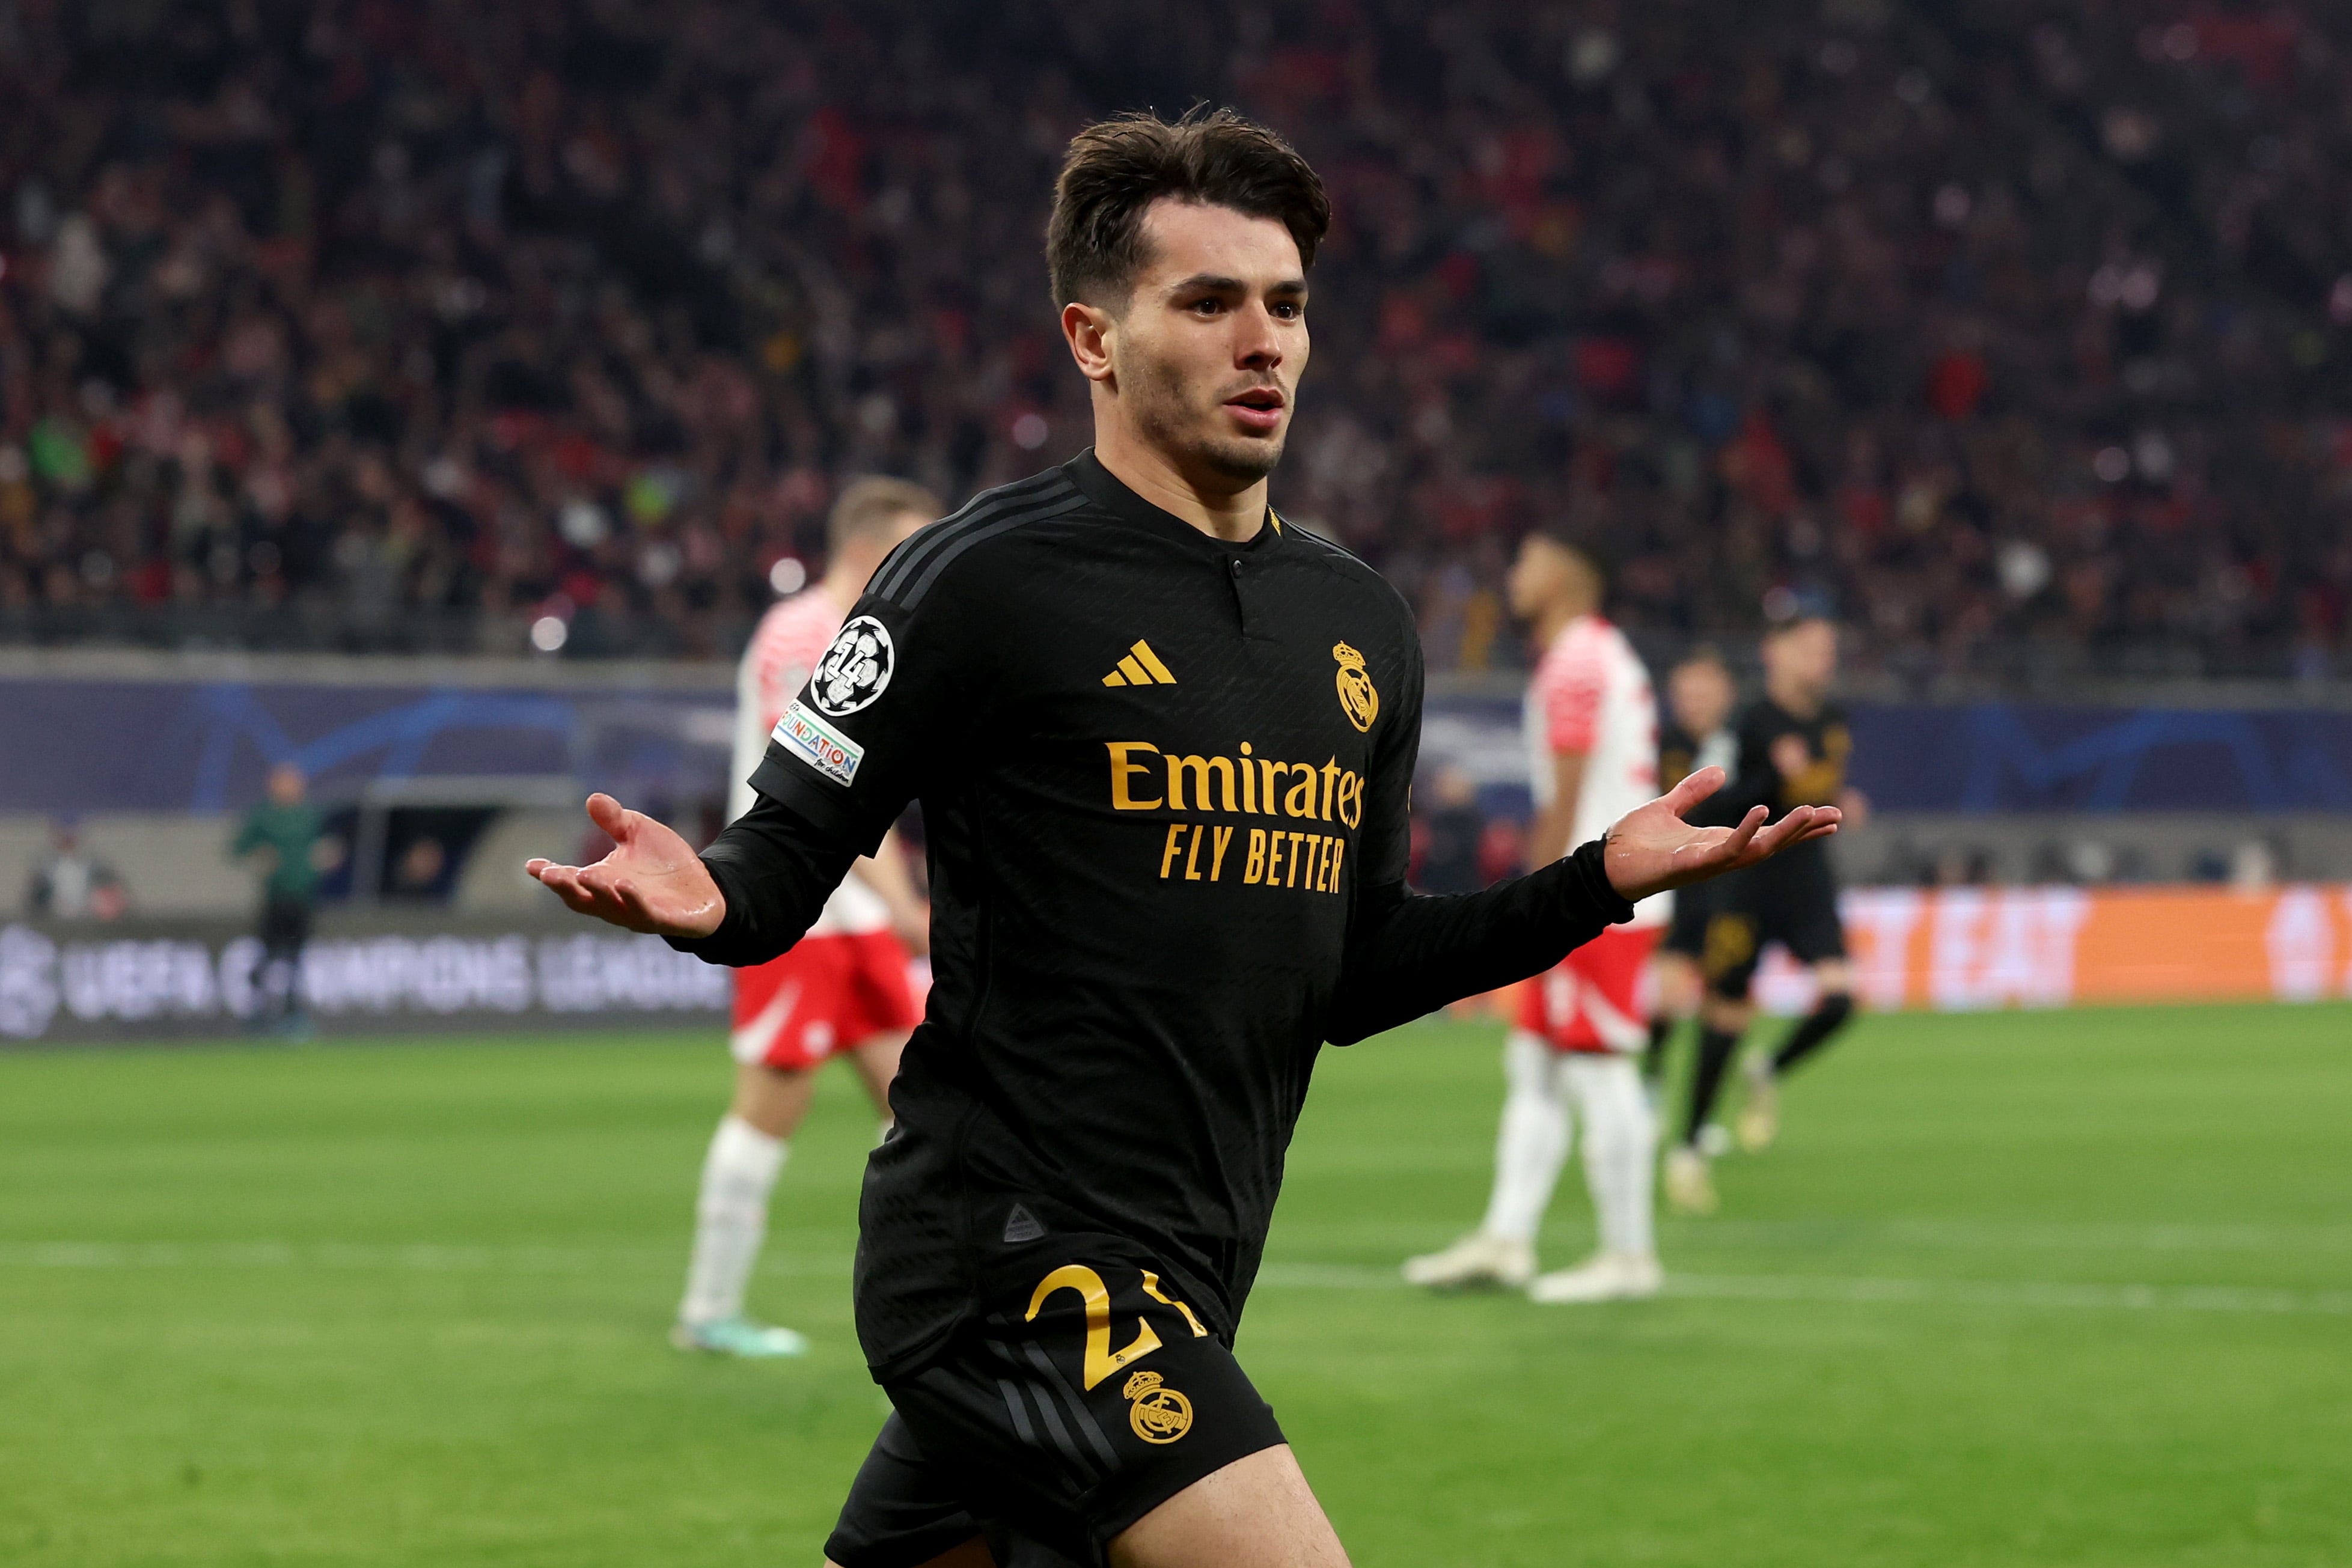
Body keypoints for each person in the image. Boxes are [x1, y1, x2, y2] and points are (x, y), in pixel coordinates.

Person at [525, 108, 1836, 1568]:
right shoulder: (972, 580)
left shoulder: (1359, 625)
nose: (1262, 339)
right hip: (1011, 1252)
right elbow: (777, 869)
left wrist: (1591, 882)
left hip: (1196, 1259)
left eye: (1284, 303)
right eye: (1208, 302)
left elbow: (1351, 969)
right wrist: (702, 894)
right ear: (1094, 336)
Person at [673, 477, 939, 1359]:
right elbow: (824, 796)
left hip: (857, 917)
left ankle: (943, 1296)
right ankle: (708, 1310)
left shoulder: (869, 635)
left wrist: (900, 907)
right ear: (870, 551)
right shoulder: (800, 634)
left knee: (924, 1104)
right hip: (799, 914)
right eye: (915, 549)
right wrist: (907, 912)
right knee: (770, 1106)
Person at [1402, 533, 1670, 1304]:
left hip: (1598, 894)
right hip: (1603, 887)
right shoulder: (1593, 654)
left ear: (1564, 573)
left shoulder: (1579, 661)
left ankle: (1628, 1253)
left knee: (1596, 1064)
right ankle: (1507, 1237)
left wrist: (1539, 896)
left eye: (1525, 562)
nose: (1514, 576)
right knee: (1537, 1064)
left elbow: (1567, 785)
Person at [1664, 615, 1869, 1217]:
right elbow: (1719, 798)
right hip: (1749, 882)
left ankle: (1767, 1068)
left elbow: (1821, 784)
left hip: (1807, 879)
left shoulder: (1833, 721)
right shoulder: (1746, 722)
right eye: (1808, 647)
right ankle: (1688, 1146)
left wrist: (1838, 800)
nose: (1821, 659)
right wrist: (1769, 777)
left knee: (1839, 1001)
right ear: (1774, 652)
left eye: (1828, 648)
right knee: (1723, 1016)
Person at [1640, 648, 1740, 1103]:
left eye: (1703, 692)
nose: (1693, 702)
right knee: (1666, 999)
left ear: (1726, 694)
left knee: (1722, 1004)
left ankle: (1700, 1112)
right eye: (1685, 693)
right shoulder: (1659, 746)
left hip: (1732, 887)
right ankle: (1652, 1076)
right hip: (1676, 884)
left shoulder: (1745, 742)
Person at [230, 764, 329, 1036]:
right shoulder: (264, 817)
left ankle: (293, 1012)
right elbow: (238, 848)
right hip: (276, 898)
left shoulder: (309, 816)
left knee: (297, 957)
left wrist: (325, 856)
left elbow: (326, 845)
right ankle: (260, 1012)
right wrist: (259, 856)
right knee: (267, 955)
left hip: (303, 898)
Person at [25, 816, 127, 920]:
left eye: (72, 835)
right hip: (56, 917)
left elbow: (112, 891)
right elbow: (36, 899)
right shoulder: (46, 868)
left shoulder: (93, 866)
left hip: (89, 917)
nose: (68, 839)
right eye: (64, 836)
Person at [1411, 763, 1487, 895]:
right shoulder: (1435, 818)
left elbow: (1473, 850)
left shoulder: (1472, 821)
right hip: (1435, 886)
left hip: (1464, 884)